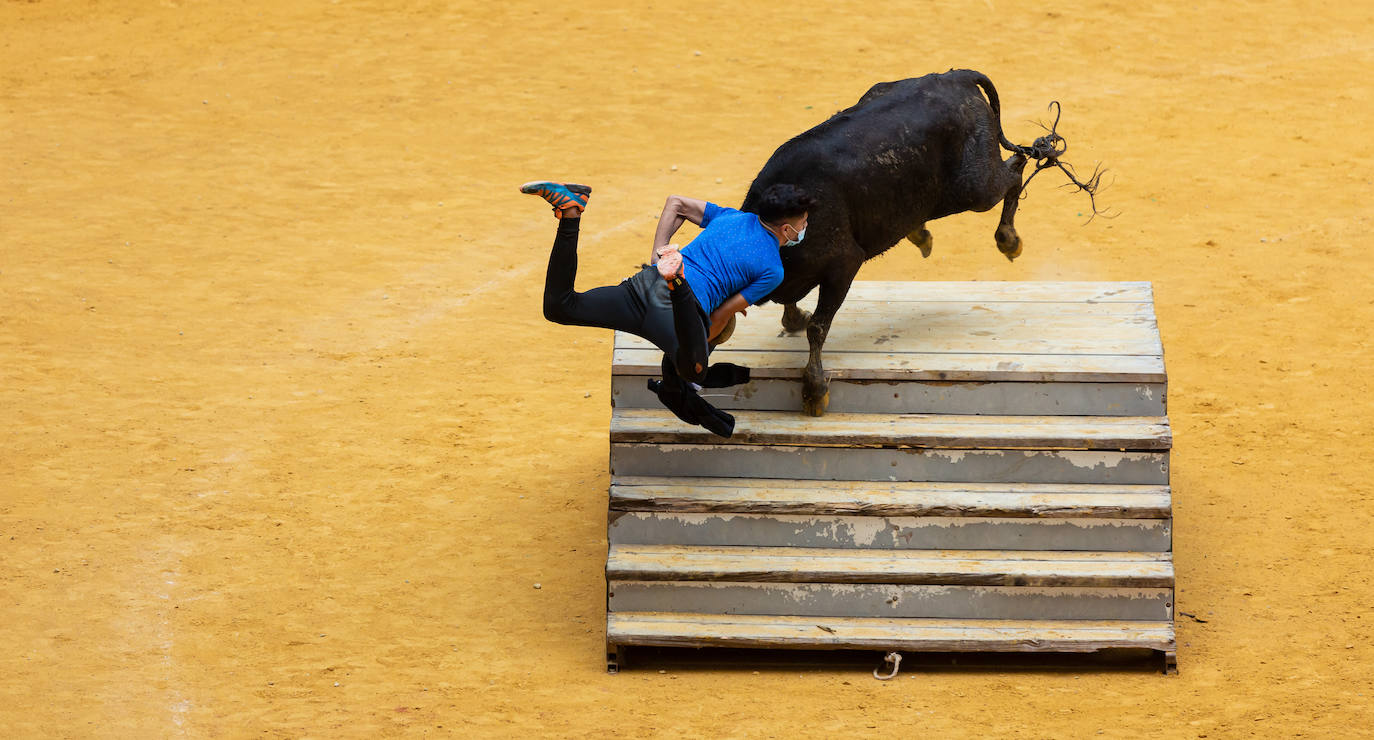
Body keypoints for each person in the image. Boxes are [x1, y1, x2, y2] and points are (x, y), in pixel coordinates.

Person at [522, 180, 816, 437]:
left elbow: (676, 203)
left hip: (642, 287)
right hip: (678, 312)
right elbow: (718, 316)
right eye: (803, 223)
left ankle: (570, 213)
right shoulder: (772, 269)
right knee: (695, 369)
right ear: (787, 229)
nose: (805, 228)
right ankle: (677, 282)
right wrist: (696, 354)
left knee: (560, 307)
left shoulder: (730, 217)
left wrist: (656, 255)